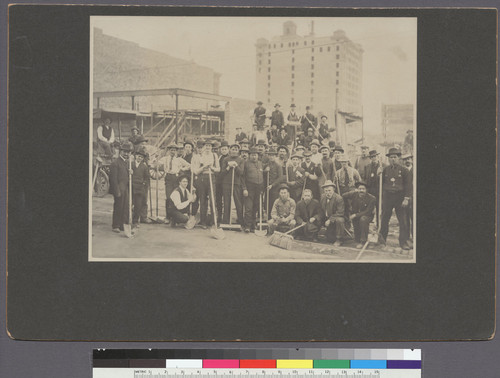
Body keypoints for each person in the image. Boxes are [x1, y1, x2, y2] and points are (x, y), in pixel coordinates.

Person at [379, 147, 412, 250]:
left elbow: (408, 186)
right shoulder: (385, 170)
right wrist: (378, 174)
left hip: (400, 198)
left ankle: (403, 242)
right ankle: (382, 241)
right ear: (388, 159)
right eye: (391, 157)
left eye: (395, 157)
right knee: (384, 220)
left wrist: (406, 198)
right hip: (388, 197)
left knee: (403, 221)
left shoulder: (404, 170)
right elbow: (381, 183)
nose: (393, 159)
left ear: (398, 158)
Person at [156, 143, 191, 221]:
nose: (173, 152)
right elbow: (157, 164)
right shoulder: (164, 158)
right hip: (168, 177)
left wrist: (182, 169)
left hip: (176, 178)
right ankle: (168, 217)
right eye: (171, 150)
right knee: (169, 197)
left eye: (174, 150)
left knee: (176, 197)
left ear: (176, 151)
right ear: (168, 150)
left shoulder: (179, 159)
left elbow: (189, 165)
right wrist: (157, 159)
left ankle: (175, 216)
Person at [191, 139, 220, 228]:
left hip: (212, 177)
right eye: (206, 146)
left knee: (212, 200)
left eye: (209, 146)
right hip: (202, 178)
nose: (208, 147)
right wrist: (203, 167)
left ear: (211, 147)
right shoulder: (200, 156)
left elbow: (218, 169)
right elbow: (195, 171)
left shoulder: (214, 156)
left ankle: (213, 221)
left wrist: (212, 168)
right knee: (203, 200)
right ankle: (203, 222)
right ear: (204, 147)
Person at [342, 182, 376, 248]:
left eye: (363, 189)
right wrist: (347, 207)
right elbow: (343, 196)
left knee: (363, 219)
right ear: (357, 189)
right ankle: (359, 239)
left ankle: (363, 241)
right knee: (356, 239)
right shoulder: (354, 194)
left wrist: (355, 215)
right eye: (360, 189)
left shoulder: (372, 198)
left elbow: (368, 211)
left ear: (366, 190)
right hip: (355, 216)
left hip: (367, 216)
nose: (361, 191)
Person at [109, 142, 133, 233]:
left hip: (125, 188)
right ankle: (115, 225)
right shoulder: (115, 163)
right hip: (119, 189)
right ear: (120, 151)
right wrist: (116, 191)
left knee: (125, 207)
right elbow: (113, 179)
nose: (126, 154)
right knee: (118, 207)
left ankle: (123, 224)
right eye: (124, 152)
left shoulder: (127, 163)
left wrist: (130, 172)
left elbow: (126, 175)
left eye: (128, 152)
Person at [221, 144, 245, 227]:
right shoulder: (225, 159)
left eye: (236, 149)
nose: (234, 151)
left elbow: (241, 172)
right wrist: (228, 166)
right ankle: (226, 221)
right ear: (230, 150)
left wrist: (236, 165)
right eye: (233, 149)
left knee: (238, 203)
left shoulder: (241, 160)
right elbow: (222, 172)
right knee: (227, 202)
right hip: (226, 183)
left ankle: (240, 221)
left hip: (236, 183)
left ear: (238, 151)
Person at [242, 147, 264, 232]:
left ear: (258, 156)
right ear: (249, 155)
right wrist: (244, 188)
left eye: (255, 155)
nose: (254, 157)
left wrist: (262, 188)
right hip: (249, 187)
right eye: (252, 155)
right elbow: (242, 177)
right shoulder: (246, 164)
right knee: (248, 207)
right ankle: (247, 226)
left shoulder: (260, 163)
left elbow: (263, 177)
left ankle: (253, 225)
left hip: (258, 188)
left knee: (256, 207)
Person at [319, 180, 345, 246]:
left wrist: (330, 220)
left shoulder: (338, 198)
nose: (328, 193)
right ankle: (314, 236)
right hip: (326, 218)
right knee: (329, 239)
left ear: (333, 190)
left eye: (329, 190)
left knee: (340, 220)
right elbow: (321, 209)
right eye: (326, 191)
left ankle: (339, 239)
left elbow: (340, 212)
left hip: (335, 218)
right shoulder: (322, 197)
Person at [131, 147, 150, 227]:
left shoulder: (144, 167)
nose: (140, 158)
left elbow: (147, 178)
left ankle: (135, 221)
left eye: (141, 157)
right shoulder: (130, 164)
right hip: (131, 186)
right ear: (136, 156)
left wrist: (144, 184)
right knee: (128, 203)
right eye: (139, 156)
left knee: (138, 205)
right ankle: (126, 219)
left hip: (139, 188)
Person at [364, 149, 382, 228]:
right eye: (371, 157)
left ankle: (379, 225)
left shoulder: (382, 166)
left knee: (379, 208)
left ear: (377, 156)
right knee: (369, 209)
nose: (373, 158)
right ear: (370, 158)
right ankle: (367, 226)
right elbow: (365, 179)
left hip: (379, 191)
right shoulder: (367, 167)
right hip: (370, 190)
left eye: (375, 156)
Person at [216, 140, 230, 223]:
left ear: (228, 149)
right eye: (222, 149)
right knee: (218, 200)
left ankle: (226, 217)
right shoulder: (219, 158)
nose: (224, 151)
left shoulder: (229, 158)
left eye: (225, 149)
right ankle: (219, 216)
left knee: (226, 200)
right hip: (219, 181)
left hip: (226, 182)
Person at [402, 153, 414, 242]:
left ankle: (414, 237)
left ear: (412, 159)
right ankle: (406, 237)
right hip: (404, 197)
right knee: (405, 218)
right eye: (405, 159)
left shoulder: (415, 169)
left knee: (414, 217)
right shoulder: (402, 170)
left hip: (414, 197)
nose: (407, 161)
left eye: (408, 159)